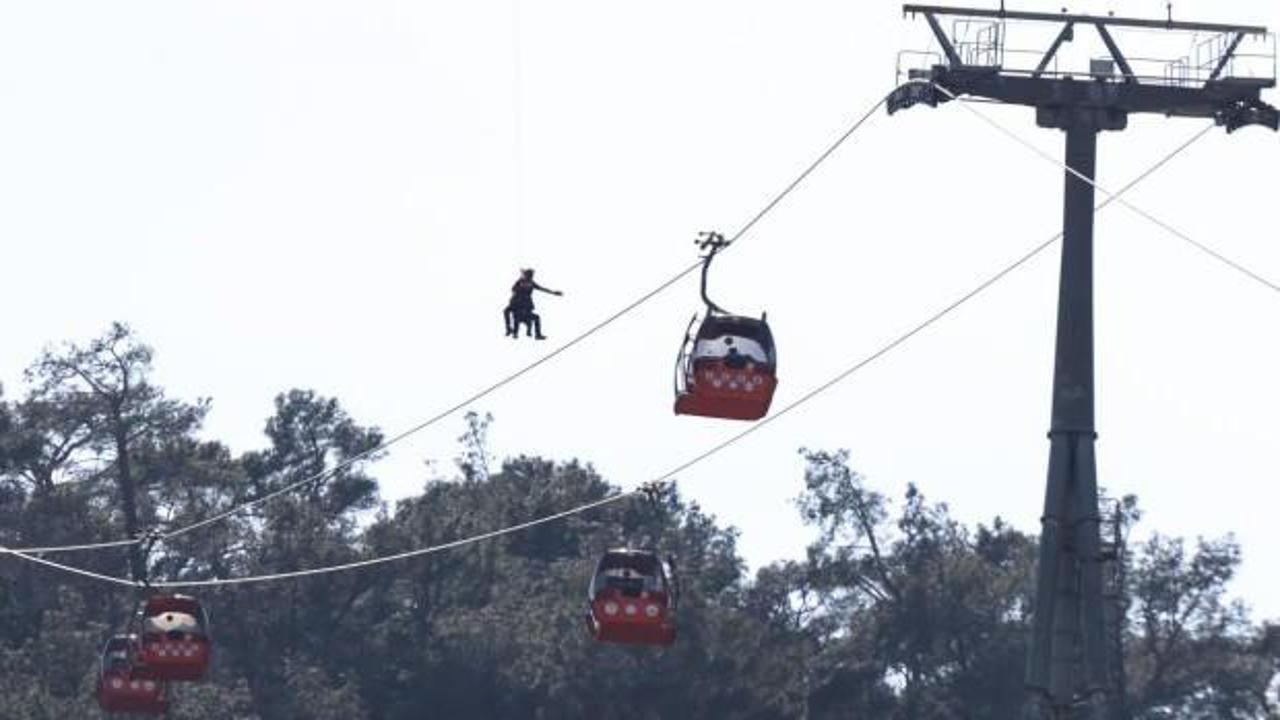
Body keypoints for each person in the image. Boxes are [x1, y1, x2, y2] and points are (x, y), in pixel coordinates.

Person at [503, 269, 563, 340]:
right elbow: (513, 289)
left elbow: (541, 288)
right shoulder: (521, 282)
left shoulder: (529, 283)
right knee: (506, 311)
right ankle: (509, 328)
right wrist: (520, 282)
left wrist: (553, 292)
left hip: (524, 304)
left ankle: (537, 335)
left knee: (536, 318)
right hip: (516, 303)